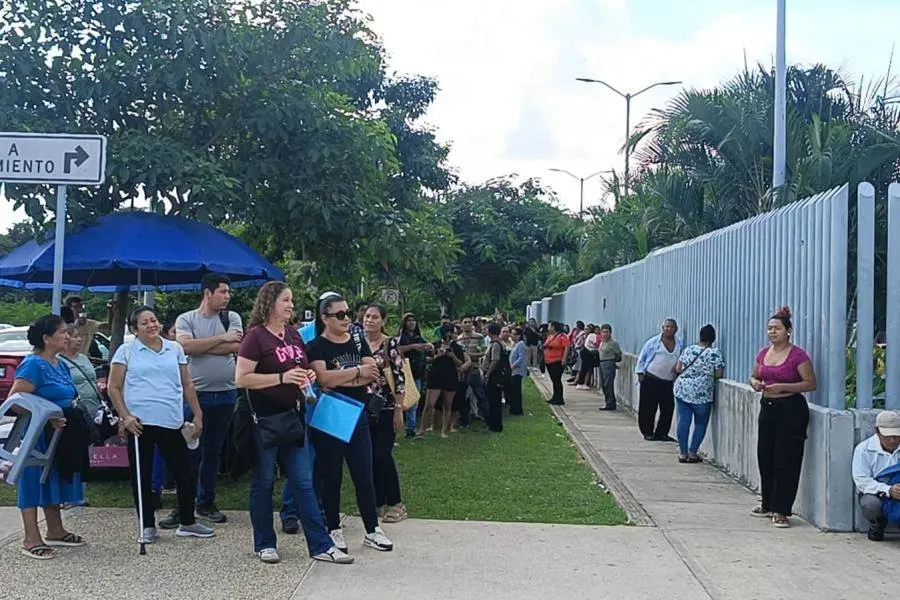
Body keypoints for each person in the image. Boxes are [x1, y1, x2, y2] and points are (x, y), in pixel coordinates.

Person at [235, 282, 351, 564]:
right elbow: (241, 378)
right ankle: (264, 543)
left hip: (294, 417)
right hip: (265, 420)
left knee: (303, 482)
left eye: (292, 300)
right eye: (286, 300)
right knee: (263, 481)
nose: (291, 305)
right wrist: (281, 378)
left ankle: (320, 545)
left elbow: (301, 367)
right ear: (270, 302)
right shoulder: (255, 337)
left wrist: (307, 376)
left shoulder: (293, 336)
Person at [107, 305, 215, 545]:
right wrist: (125, 416)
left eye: (153, 320)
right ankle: (146, 525)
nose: (151, 325)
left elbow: (187, 383)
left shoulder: (173, 348)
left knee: (184, 473)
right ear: (134, 329)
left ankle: (188, 521)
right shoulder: (126, 351)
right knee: (142, 475)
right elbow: (114, 387)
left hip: (171, 420)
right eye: (144, 323)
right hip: (140, 422)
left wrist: (197, 414)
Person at [306, 293, 394, 553]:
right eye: (340, 314)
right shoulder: (316, 346)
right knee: (331, 476)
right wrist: (355, 373)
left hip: (358, 415)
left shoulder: (358, 342)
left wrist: (344, 377)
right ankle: (333, 528)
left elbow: (372, 374)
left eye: (347, 313)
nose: (347, 319)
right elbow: (324, 379)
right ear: (325, 318)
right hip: (331, 417)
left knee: (363, 475)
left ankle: (371, 529)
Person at [9, 314, 88, 559]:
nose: (68, 336)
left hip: (61, 433)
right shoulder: (33, 364)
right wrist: (48, 415)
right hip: (37, 434)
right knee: (32, 479)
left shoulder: (60, 363)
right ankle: (31, 537)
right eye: (63, 332)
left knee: (53, 477)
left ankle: (55, 529)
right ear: (46, 338)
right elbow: (16, 402)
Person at [169, 273, 243, 527]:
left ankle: (206, 501)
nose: (227, 296)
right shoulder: (186, 319)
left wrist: (203, 345)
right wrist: (221, 339)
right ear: (207, 293)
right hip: (195, 394)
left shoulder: (231, 317)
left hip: (225, 392)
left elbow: (235, 346)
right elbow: (185, 348)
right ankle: (183, 504)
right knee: (188, 449)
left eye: (228, 292)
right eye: (223, 292)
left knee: (213, 449)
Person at [748, 305, 817, 528]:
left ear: (788, 331)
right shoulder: (763, 353)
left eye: (777, 328)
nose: (772, 332)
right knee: (765, 457)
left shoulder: (798, 355)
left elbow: (810, 383)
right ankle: (767, 502)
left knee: (785, 460)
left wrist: (783, 387)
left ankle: (782, 510)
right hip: (768, 406)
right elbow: (753, 375)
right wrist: (755, 383)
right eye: (769, 328)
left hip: (791, 409)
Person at [363, 304, 408, 523]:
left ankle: (396, 503)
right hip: (364, 407)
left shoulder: (390, 344)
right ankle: (377, 500)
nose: (369, 320)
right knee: (369, 456)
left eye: (374, 317)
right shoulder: (358, 343)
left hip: (387, 407)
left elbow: (399, 379)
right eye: (367, 316)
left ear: (383, 321)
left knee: (382, 454)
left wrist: (398, 410)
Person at [673, 325, 725, 463]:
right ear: (713, 339)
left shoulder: (689, 349)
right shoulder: (715, 353)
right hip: (702, 393)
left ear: (699, 336)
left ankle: (683, 453)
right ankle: (693, 453)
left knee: (683, 420)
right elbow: (718, 374)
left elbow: (678, 368)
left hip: (683, 389)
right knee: (700, 423)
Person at [852, 410, 900, 541]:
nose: (893, 440)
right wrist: (888, 490)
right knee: (871, 504)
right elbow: (861, 480)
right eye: (888, 436)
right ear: (878, 432)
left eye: (896, 436)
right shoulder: (863, 449)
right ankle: (877, 525)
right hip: (876, 492)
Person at [635, 319, 684, 441]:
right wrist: (640, 374)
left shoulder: (679, 344)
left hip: (667, 382)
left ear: (676, 329)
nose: (668, 329)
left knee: (667, 408)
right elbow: (642, 357)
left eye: (671, 327)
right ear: (663, 328)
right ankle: (648, 432)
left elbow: (682, 359)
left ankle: (662, 433)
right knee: (648, 407)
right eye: (666, 327)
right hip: (651, 379)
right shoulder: (653, 342)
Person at [419, 324, 468, 438]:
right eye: (447, 332)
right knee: (429, 404)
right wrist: (437, 355)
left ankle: (444, 431)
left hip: (450, 377)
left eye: (451, 332)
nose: (449, 335)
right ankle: (422, 429)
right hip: (436, 377)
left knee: (447, 405)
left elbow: (460, 363)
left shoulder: (456, 347)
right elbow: (426, 359)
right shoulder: (434, 345)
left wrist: (452, 355)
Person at [397, 312, 430, 439]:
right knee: (400, 401)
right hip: (404, 372)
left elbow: (427, 346)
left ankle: (410, 429)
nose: (411, 323)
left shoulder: (418, 337)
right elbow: (397, 349)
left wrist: (429, 347)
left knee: (414, 401)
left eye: (413, 320)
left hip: (417, 373)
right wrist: (412, 347)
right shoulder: (401, 337)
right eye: (408, 320)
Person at [482, 322, 506, 432]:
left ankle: (495, 426)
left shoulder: (496, 344)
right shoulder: (495, 343)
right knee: (492, 401)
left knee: (494, 401)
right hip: (494, 375)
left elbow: (495, 360)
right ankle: (494, 424)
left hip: (494, 376)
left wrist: (488, 374)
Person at [63, 295, 101, 359]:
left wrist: (110, 309)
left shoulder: (88, 323)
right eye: (75, 307)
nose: (79, 310)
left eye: (80, 306)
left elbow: (107, 327)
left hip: (81, 360)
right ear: (69, 309)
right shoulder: (63, 325)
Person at [595, 324, 623, 411]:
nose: (605, 334)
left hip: (609, 363)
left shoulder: (613, 343)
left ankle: (610, 403)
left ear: (610, 333)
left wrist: (613, 361)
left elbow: (618, 355)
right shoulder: (602, 342)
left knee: (608, 384)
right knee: (603, 384)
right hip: (602, 363)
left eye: (607, 332)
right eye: (603, 332)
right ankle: (608, 401)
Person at [543, 322, 569, 405]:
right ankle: (555, 397)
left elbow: (566, 347)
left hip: (557, 361)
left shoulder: (562, 336)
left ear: (554, 327)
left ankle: (559, 398)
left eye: (550, 326)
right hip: (549, 361)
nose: (548, 328)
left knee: (557, 380)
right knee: (554, 380)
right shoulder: (550, 336)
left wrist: (564, 358)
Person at [508, 327, 526, 415]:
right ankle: (513, 408)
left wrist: (513, 366)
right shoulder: (514, 344)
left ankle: (517, 409)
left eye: (514, 334)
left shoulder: (521, 344)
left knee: (516, 390)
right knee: (512, 390)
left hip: (517, 370)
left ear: (519, 336)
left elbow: (521, 358)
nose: (512, 335)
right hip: (512, 370)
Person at [574, 324, 597, 390]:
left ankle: (586, 383)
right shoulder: (585, 336)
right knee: (584, 368)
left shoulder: (592, 335)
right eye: (585, 329)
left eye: (587, 329)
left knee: (587, 369)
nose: (585, 330)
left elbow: (595, 343)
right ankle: (582, 382)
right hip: (585, 352)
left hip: (589, 353)